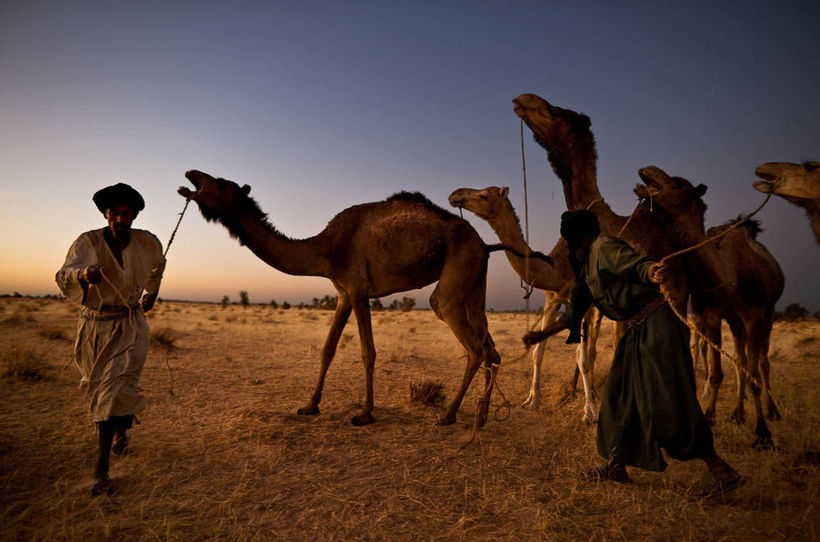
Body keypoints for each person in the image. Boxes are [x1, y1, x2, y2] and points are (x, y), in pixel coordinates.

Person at [523, 210, 742, 498]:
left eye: (567, 231)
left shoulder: (605, 247)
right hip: (637, 330)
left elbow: (636, 264)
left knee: (669, 400)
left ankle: (722, 471)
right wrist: (541, 334)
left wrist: (651, 271)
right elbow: (574, 312)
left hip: (658, 326)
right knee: (617, 397)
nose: (564, 237)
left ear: (579, 233)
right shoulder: (587, 266)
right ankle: (617, 464)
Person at [56, 183, 165, 496]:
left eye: (125, 213)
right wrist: (83, 274)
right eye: (113, 213)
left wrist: (152, 294)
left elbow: (159, 265)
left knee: (116, 387)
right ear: (106, 215)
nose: (119, 218)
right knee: (102, 389)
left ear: (133, 215)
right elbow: (64, 274)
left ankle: (101, 471)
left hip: (130, 324)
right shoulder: (87, 241)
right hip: (95, 326)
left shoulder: (147, 242)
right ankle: (120, 433)